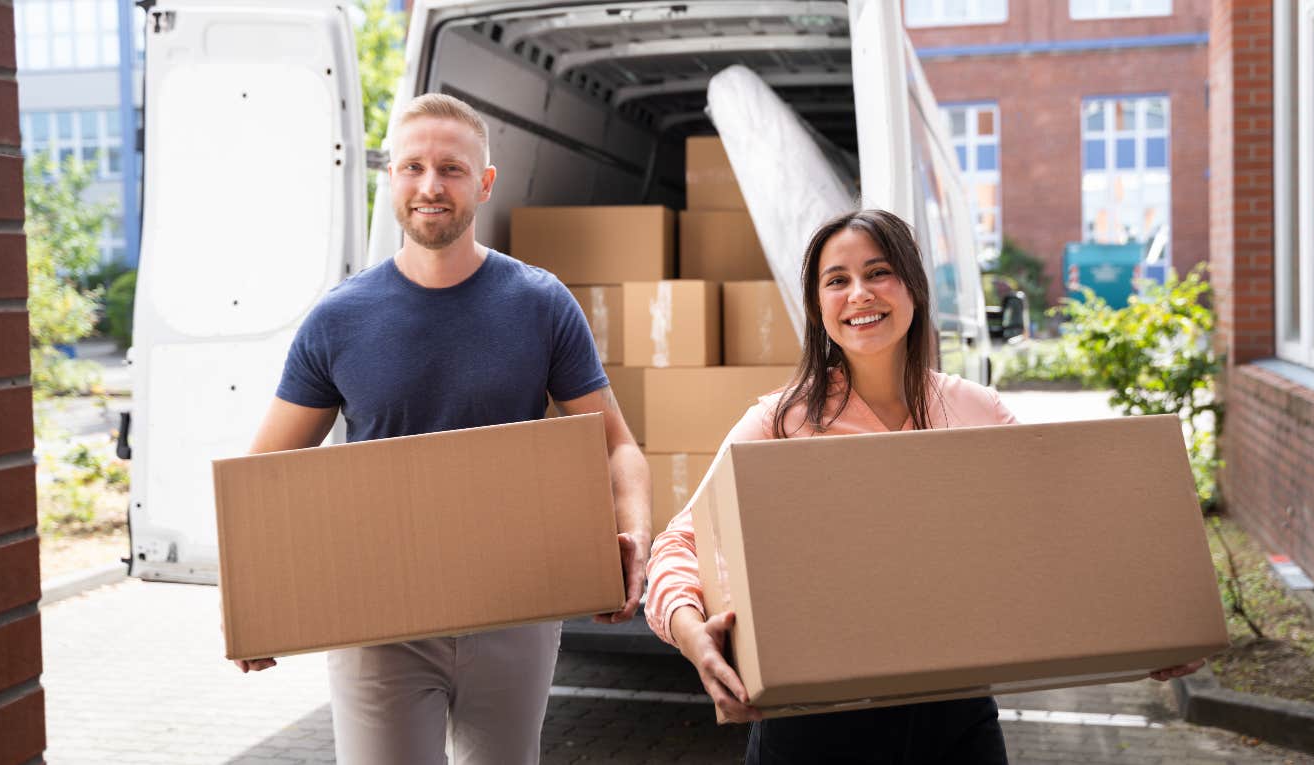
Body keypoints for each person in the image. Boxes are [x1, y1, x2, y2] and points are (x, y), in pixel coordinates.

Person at [644, 209, 1202, 764]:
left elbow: (1058, 539)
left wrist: (1150, 627)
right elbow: (680, 543)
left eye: (878, 272)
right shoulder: (779, 422)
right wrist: (695, 638)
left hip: (954, 716)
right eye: (837, 280)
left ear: (913, 286)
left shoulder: (974, 411)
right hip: (811, 722)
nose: (859, 293)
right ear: (818, 309)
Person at [233, 92, 651, 764]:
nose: (431, 186)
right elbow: (263, 477)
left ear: (484, 182)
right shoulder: (338, 320)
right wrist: (252, 605)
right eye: (413, 167)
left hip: (517, 605)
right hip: (379, 622)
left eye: (452, 169)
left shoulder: (541, 304)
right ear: (390, 177)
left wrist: (634, 534)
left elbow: (618, 446)